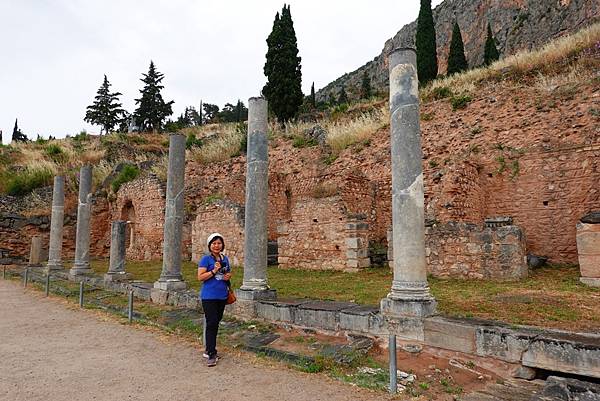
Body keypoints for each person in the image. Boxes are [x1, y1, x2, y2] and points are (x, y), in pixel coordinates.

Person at [197, 232, 232, 367]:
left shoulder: (225, 259)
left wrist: (227, 276)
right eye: (214, 243)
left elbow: (226, 273)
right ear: (210, 245)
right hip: (209, 296)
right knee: (211, 323)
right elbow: (200, 277)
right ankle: (211, 353)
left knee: (216, 322)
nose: (217, 246)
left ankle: (209, 348)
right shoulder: (206, 259)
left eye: (219, 243)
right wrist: (213, 271)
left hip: (222, 295)